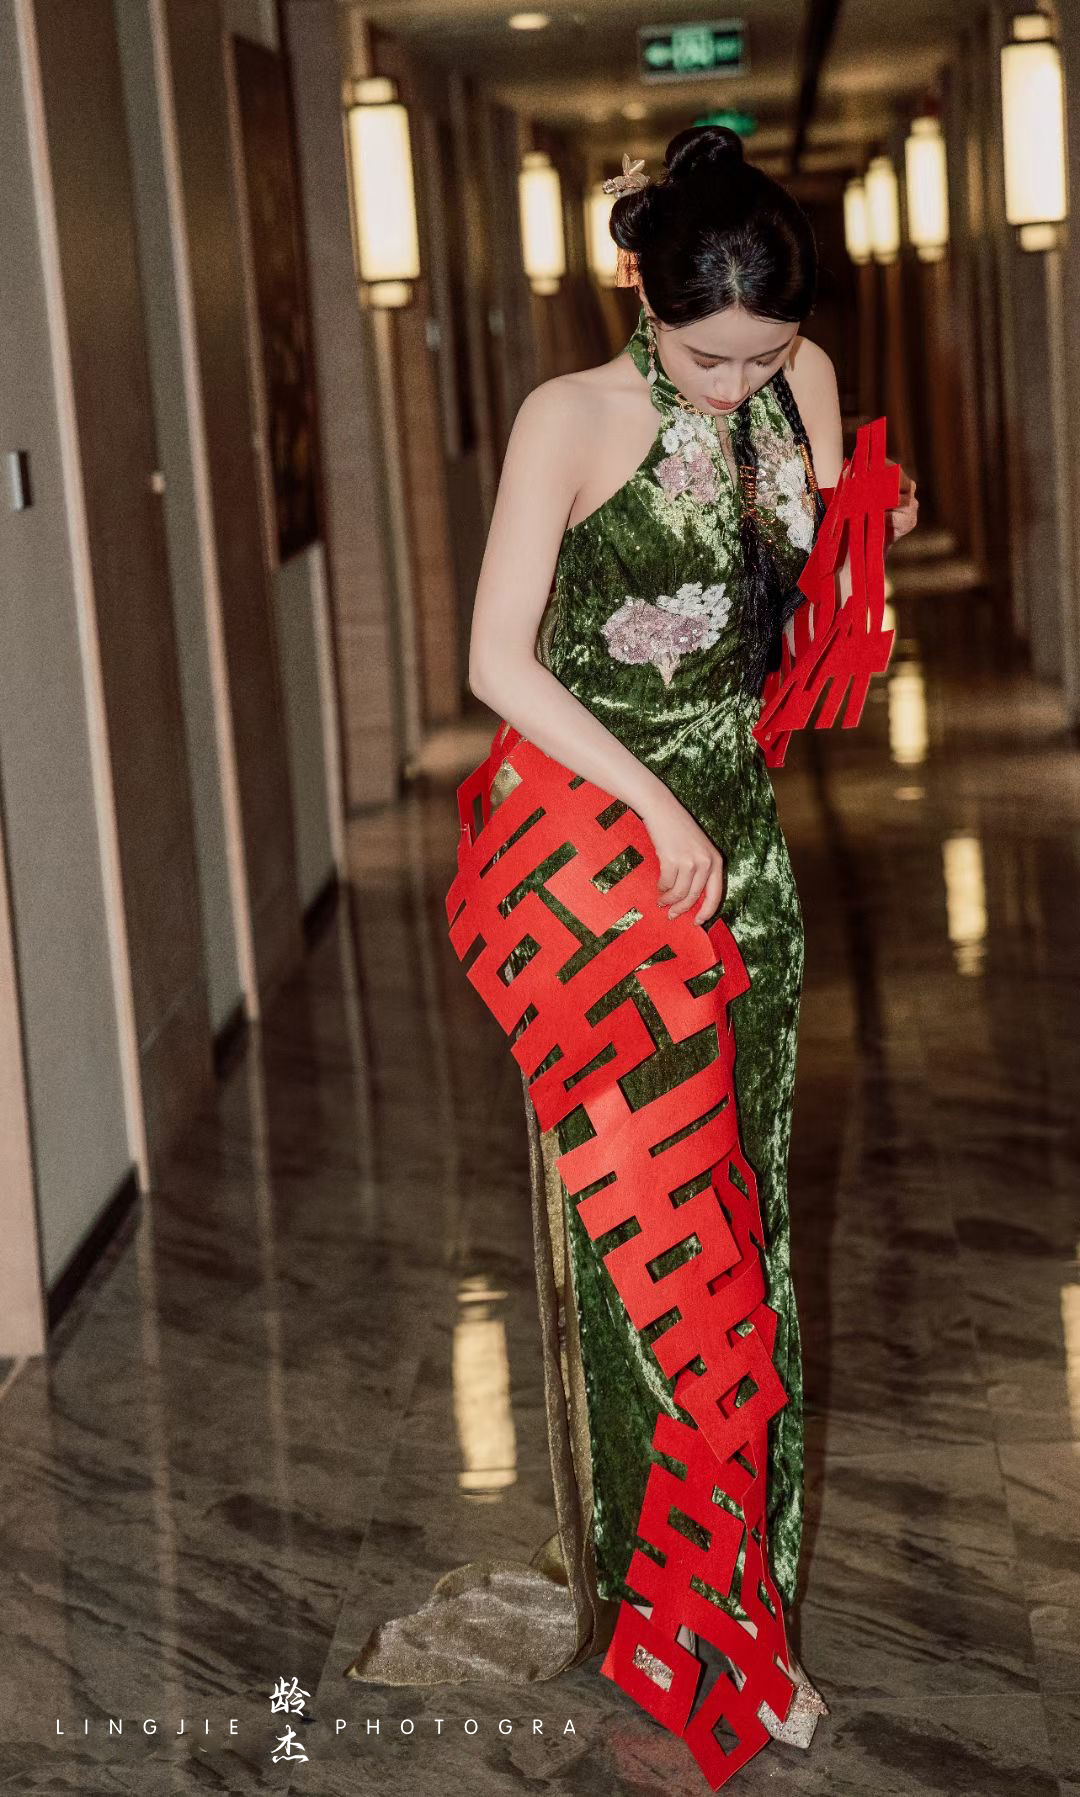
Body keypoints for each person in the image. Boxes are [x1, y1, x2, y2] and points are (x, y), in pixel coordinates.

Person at [344, 123, 918, 1782]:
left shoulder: (799, 383)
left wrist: (858, 528)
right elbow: (495, 658)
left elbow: (808, 621)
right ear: (642, 299)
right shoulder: (569, 418)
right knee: (664, 1273)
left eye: (764, 356)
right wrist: (655, 800)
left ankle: (739, 1608)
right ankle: (685, 1626)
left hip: (749, 867)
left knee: (758, 1243)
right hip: (605, 869)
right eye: (705, 356)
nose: (736, 387)